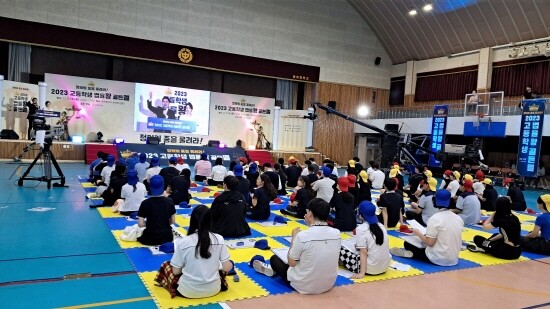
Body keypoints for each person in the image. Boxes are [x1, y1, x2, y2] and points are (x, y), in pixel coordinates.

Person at [254, 198, 342, 295]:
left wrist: (294, 239)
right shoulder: (337, 233)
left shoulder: (302, 236)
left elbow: (291, 263)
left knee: (275, 259)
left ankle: (273, 271)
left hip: (305, 286)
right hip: (329, 283)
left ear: (310, 214)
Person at [170, 205, 233, 298]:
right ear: (210, 221)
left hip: (187, 291)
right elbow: (227, 268)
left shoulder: (183, 242)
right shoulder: (219, 239)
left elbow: (176, 272)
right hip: (214, 289)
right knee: (227, 263)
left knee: (167, 266)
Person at [390, 190, 464, 266]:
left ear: (434, 201)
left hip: (438, 258)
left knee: (408, 244)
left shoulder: (435, 218)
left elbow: (430, 243)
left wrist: (417, 233)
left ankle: (414, 255)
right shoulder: (458, 218)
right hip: (454, 259)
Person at [340, 201, 391, 278]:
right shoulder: (381, 226)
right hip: (384, 267)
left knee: (340, 248)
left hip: (370, 269)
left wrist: (362, 273)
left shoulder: (361, 229)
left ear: (360, 215)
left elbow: (363, 252)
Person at [137, 175, 176, 246]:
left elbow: (140, 224)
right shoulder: (170, 201)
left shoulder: (145, 203)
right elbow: (173, 221)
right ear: (163, 186)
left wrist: (150, 223)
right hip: (166, 238)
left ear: (150, 187)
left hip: (149, 238)